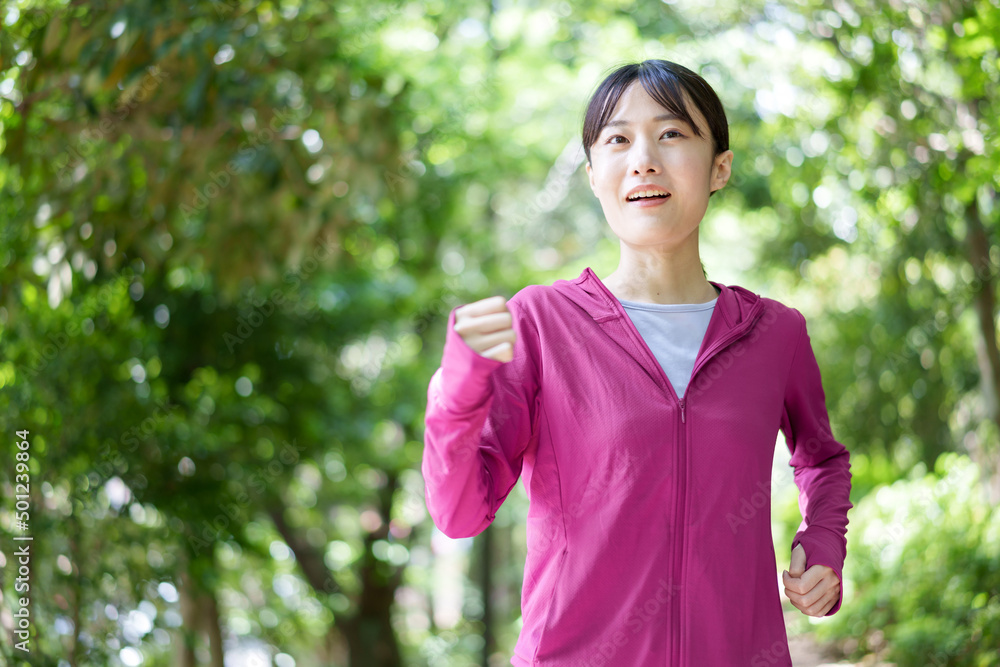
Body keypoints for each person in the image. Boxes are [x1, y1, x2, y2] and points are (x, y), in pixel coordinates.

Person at [421, 59, 853, 666]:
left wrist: (824, 544)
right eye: (618, 139)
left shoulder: (775, 333)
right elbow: (460, 512)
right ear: (595, 175)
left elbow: (822, 458)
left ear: (720, 167)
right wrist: (460, 393)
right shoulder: (541, 323)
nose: (644, 158)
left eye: (672, 134)